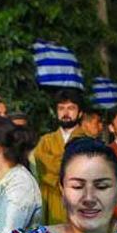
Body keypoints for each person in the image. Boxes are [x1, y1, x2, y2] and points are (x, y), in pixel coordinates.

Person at [34, 88, 86, 225]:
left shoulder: (87, 142)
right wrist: (69, 166)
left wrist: (58, 167)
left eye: (71, 108)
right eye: (61, 108)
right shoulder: (45, 141)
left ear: (80, 113)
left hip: (79, 205)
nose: (65, 113)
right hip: (51, 204)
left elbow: (82, 172)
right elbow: (42, 169)